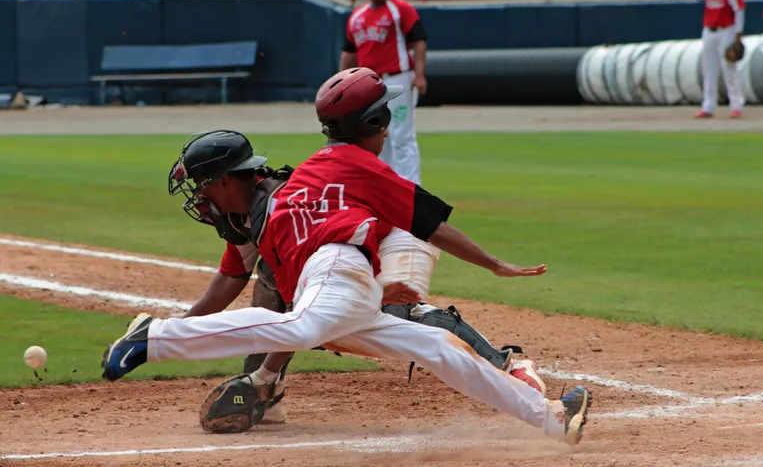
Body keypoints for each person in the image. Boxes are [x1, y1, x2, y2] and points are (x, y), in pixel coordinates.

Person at [101, 67, 591, 446]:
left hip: (341, 264)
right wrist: (490, 265)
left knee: (426, 346)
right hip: (337, 266)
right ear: (373, 122)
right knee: (308, 327)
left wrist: (488, 264)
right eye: (385, 117)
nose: (388, 127)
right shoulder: (303, 189)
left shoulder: (310, 179)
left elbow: (425, 226)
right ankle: (157, 336)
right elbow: (427, 225)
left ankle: (553, 419)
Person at [171, 140, 546, 427]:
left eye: (201, 189)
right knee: (286, 295)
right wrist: (171, 333)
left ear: (224, 182)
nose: (199, 201)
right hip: (345, 254)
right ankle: (269, 392)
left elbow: (297, 310)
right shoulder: (244, 216)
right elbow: (228, 280)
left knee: (391, 312)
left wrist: (263, 375)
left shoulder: (277, 213)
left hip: (393, 236)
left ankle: (508, 368)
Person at [340, 0, 426, 184]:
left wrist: (420, 74)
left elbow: (418, 41)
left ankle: (410, 186)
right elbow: (349, 52)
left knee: (401, 136)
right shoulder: (357, 16)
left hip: (398, 79)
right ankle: (386, 183)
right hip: (368, 83)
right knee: (376, 135)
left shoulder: (401, 10)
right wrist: (341, 82)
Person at [666, 0, 746, 119]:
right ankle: (708, 106)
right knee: (709, 70)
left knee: (729, 69)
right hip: (709, 30)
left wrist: (738, 35)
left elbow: (739, 10)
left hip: (726, 30)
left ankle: (736, 106)